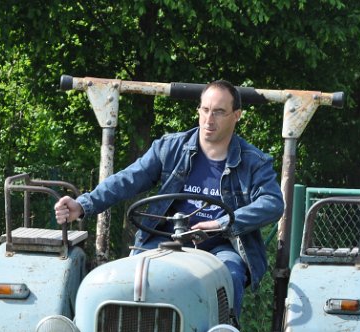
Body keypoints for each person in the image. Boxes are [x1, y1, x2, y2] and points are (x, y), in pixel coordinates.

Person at [54, 79, 284, 319]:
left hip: (220, 247)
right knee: (131, 277)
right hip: (166, 241)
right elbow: (128, 179)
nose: (209, 119)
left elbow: (272, 202)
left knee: (230, 275)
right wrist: (83, 205)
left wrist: (221, 224)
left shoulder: (254, 162)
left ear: (237, 115)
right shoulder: (170, 147)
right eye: (205, 110)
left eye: (219, 112)